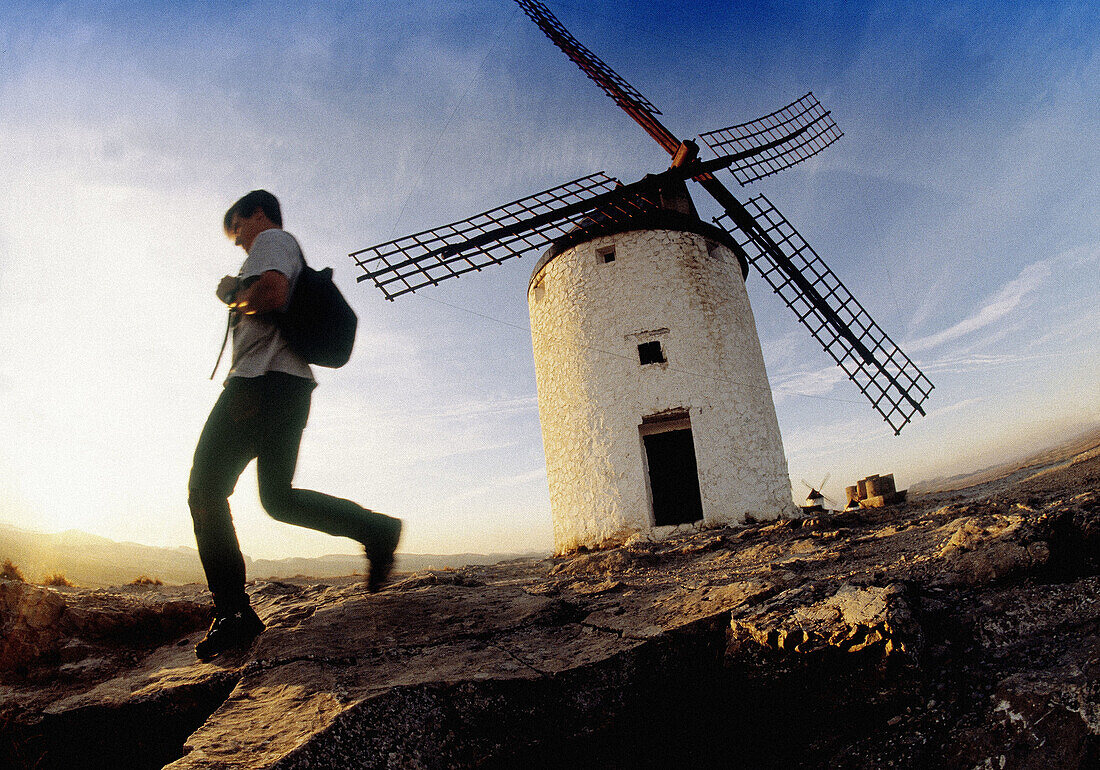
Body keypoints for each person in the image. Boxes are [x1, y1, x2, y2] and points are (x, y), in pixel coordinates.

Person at [188, 190, 402, 661]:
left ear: (255, 215)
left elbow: (272, 292)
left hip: (258, 385)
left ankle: (234, 614)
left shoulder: (272, 239)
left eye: (238, 232)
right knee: (278, 499)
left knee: (205, 490)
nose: (241, 244)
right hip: (289, 389)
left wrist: (234, 294)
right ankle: (377, 531)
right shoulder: (281, 245)